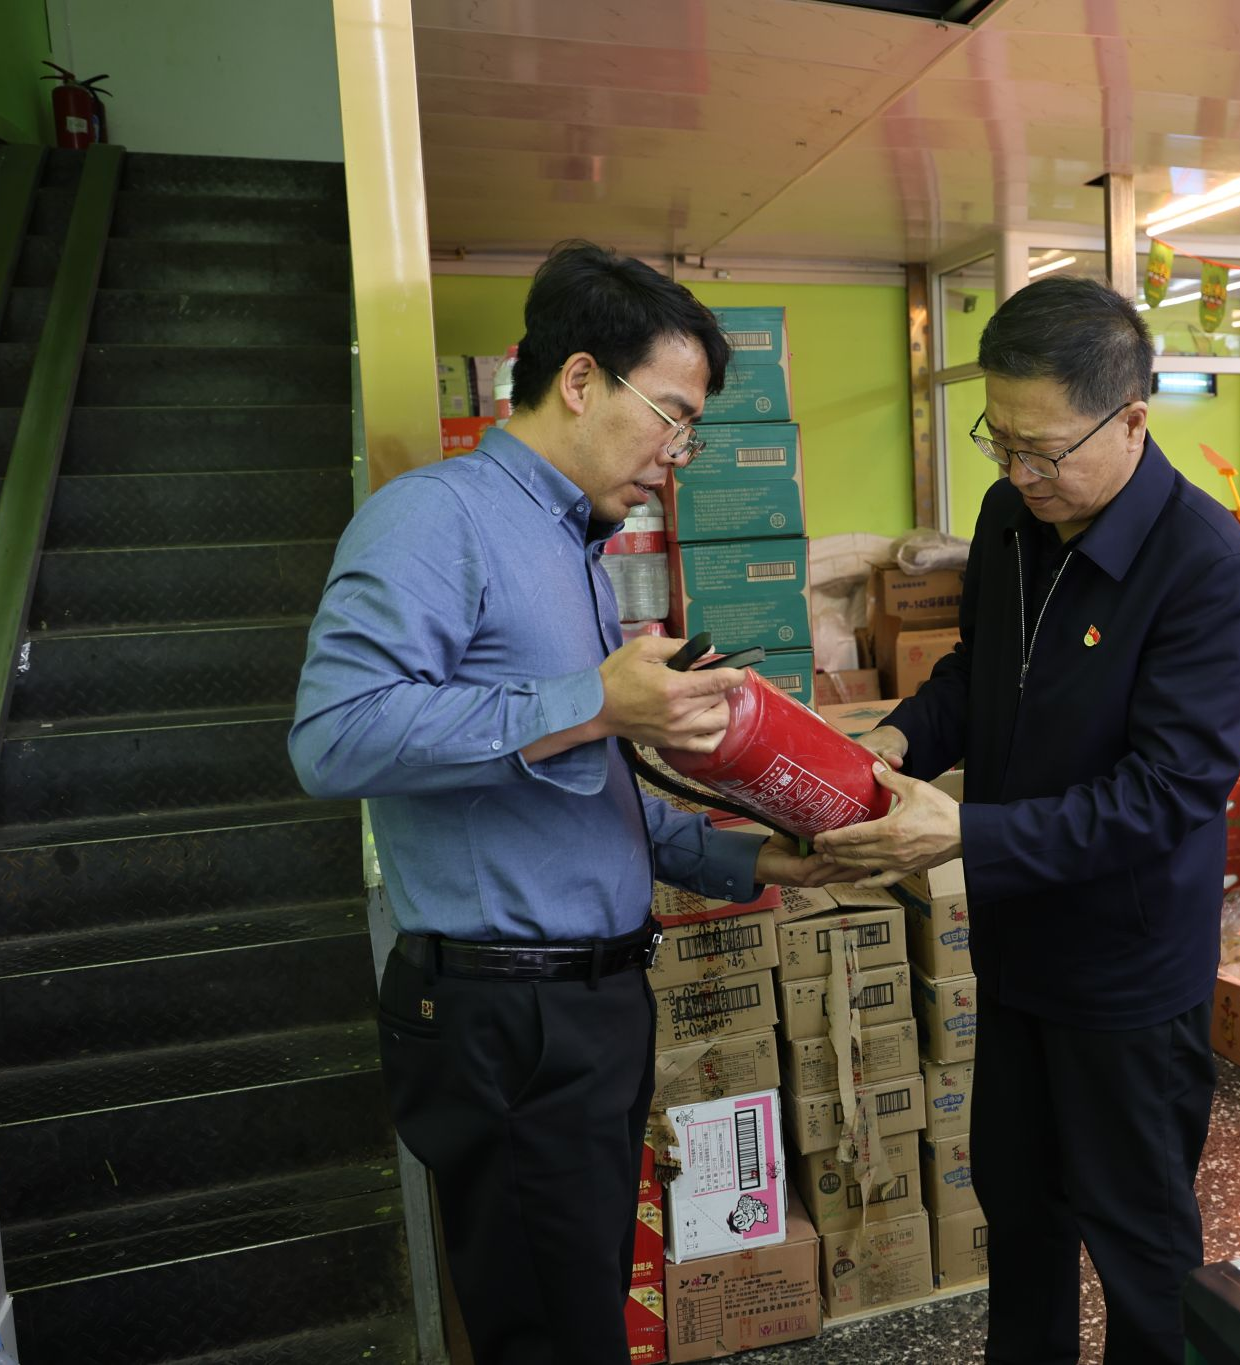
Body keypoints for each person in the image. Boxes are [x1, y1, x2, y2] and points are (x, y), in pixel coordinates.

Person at [290, 243, 856, 1364]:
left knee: (579, 1311)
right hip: (509, 1018)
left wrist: (750, 858)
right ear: (582, 379)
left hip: (588, 1009)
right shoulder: (436, 519)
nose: (677, 456)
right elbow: (333, 736)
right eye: (673, 417)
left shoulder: (572, 549)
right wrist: (592, 699)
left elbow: (584, 790)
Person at [813, 277, 1240, 1364]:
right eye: (1001, 442)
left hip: (1126, 975)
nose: (1018, 474)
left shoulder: (1205, 570)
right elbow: (977, 675)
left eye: (1044, 451)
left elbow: (1167, 795)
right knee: (1018, 1218)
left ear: (1132, 421)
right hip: (1017, 950)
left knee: (1140, 1251)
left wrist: (965, 835)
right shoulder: (1011, 519)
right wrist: (894, 742)